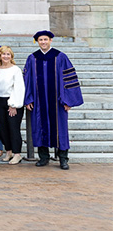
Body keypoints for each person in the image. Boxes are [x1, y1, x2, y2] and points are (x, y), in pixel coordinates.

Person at [24, 30, 83, 170]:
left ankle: (63, 159)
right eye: (40, 40)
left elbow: (69, 79)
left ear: (50, 40)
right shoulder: (32, 58)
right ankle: (43, 157)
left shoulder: (60, 57)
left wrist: (68, 100)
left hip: (58, 102)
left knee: (61, 130)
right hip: (39, 102)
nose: (43, 42)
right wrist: (28, 99)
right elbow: (27, 80)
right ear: (37, 42)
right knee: (39, 128)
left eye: (45, 39)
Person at [0, 45, 25, 165]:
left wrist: (13, 104)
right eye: (3, 54)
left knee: (13, 128)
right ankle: (9, 151)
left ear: (11, 56)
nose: (5, 56)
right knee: (3, 129)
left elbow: (19, 88)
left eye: (8, 54)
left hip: (12, 101)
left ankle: (17, 154)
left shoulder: (15, 69)